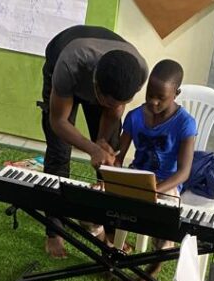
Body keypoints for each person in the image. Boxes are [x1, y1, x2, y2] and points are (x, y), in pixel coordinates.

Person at [39, 24, 148, 258]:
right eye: (108, 103)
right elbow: (58, 121)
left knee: (109, 160)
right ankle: (54, 231)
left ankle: (108, 230)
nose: (115, 107)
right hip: (65, 61)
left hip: (105, 80)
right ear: (95, 88)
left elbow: (114, 110)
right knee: (59, 153)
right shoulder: (69, 65)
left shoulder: (138, 70)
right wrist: (91, 148)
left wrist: (101, 141)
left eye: (121, 102)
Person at [114, 59, 196, 281]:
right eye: (150, 94)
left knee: (166, 219)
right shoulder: (134, 117)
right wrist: (111, 174)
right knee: (97, 203)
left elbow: (184, 172)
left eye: (161, 97)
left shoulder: (185, 124)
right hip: (137, 176)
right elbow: (118, 157)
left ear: (176, 94)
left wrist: (154, 190)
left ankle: (152, 269)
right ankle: (109, 248)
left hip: (166, 183)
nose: (153, 101)